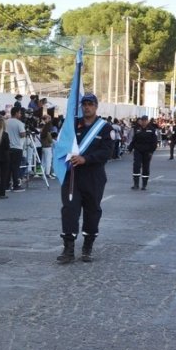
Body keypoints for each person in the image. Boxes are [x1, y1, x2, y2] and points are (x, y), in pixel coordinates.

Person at [57, 94, 114, 263]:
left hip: (93, 176)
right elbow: (62, 144)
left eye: (90, 104)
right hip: (73, 176)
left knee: (92, 211)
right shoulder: (73, 125)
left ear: (96, 106)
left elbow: (107, 152)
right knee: (69, 210)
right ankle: (68, 249)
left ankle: (87, 246)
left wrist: (86, 159)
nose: (87, 107)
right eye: (84, 104)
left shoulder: (105, 128)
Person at [128, 115, 159, 191]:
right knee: (136, 166)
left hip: (147, 151)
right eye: (142, 120)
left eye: (145, 120)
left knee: (145, 167)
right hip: (138, 150)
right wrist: (130, 148)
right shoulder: (137, 129)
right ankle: (136, 184)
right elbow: (134, 140)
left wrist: (151, 151)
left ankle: (144, 184)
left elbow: (154, 142)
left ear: (147, 121)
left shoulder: (152, 129)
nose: (144, 122)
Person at [6, 108, 27, 192]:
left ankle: (6, 186)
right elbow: (22, 134)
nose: (20, 115)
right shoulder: (19, 123)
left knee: (8, 167)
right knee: (16, 168)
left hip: (7, 147)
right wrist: (26, 132)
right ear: (16, 113)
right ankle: (16, 185)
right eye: (19, 113)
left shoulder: (6, 122)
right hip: (17, 147)